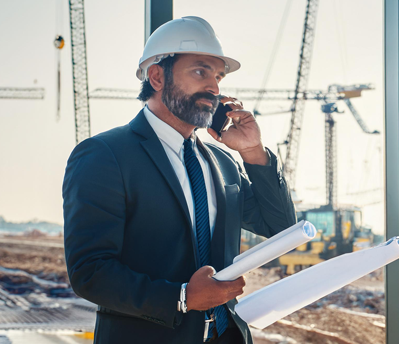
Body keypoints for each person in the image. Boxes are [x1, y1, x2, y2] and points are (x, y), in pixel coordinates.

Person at [62, 16, 297, 344]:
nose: (214, 88)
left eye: (218, 76)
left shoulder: (224, 164)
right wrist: (183, 297)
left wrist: (254, 151)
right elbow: (90, 272)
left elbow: (281, 230)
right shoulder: (105, 155)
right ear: (157, 76)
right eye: (201, 71)